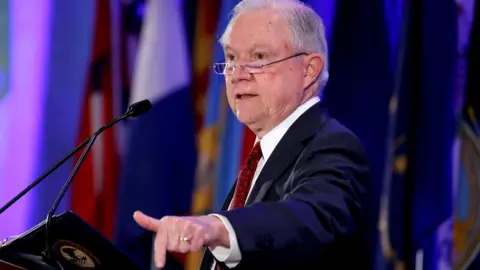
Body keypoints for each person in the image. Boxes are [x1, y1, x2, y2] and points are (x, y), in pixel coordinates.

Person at [133, 0, 370, 269]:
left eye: (259, 58)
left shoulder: (333, 145)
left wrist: (217, 227)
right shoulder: (259, 159)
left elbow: (310, 216)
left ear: (309, 70)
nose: (237, 75)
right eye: (232, 58)